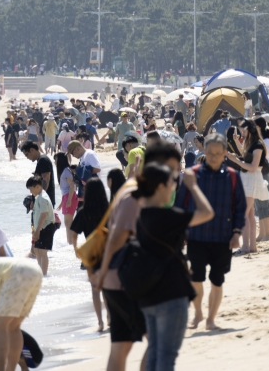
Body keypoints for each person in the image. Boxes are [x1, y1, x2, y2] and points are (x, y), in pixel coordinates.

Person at [94, 142, 182, 371]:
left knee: (121, 346)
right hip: (126, 280)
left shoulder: (138, 188)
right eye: (171, 170)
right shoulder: (136, 195)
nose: (174, 177)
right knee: (157, 342)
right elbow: (116, 238)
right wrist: (101, 274)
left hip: (119, 278)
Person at [132, 163, 214, 370]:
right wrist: (193, 187)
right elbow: (207, 212)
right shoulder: (168, 216)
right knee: (166, 358)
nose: (174, 187)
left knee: (155, 355)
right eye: (171, 184)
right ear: (160, 187)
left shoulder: (141, 216)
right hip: (172, 293)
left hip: (148, 295)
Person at [175, 133, 246, 330]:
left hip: (223, 237)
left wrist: (237, 233)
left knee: (217, 279)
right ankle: (198, 313)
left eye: (218, 153)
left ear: (225, 153)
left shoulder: (232, 176)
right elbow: (180, 206)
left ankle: (211, 319)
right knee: (196, 278)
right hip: (196, 237)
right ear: (204, 151)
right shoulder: (192, 175)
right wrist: (180, 235)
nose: (214, 157)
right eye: (210, 152)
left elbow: (240, 208)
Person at [70, 178, 110, 332]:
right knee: (107, 287)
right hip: (108, 251)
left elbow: (73, 234)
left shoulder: (83, 212)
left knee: (95, 289)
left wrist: (76, 250)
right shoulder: (108, 210)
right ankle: (110, 317)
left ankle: (100, 321)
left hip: (91, 254)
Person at [227, 119, 269, 254]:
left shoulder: (257, 144)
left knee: (244, 214)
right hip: (248, 178)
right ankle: (251, 246)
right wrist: (237, 146)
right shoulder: (252, 143)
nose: (242, 132)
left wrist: (235, 160)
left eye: (244, 130)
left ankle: (246, 246)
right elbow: (247, 157)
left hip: (251, 178)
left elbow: (253, 167)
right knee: (250, 214)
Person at [26, 176, 57, 276]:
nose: (31, 192)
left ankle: (44, 275)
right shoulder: (38, 197)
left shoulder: (43, 198)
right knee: (37, 250)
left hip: (46, 227)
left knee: (43, 252)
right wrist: (35, 229)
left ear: (38, 187)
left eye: (31, 189)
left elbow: (44, 215)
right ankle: (40, 273)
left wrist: (37, 230)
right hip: (40, 228)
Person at [21, 141, 56, 206]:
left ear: (32, 150)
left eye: (27, 154)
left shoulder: (43, 160)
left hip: (45, 202)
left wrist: (39, 199)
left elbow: (46, 180)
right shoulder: (41, 160)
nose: (27, 157)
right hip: (44, 201)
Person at [54, 152, 78, 245]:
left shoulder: (66, 170)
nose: (55, 161)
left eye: (55, 159)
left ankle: (71, 243)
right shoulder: (64, 171)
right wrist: (61, 204)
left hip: (70, 197)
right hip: (67, 197)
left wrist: (68, 200)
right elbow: (66, 189)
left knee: (68, 222)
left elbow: (72, 186)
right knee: (67, 222)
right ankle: (70, 243)